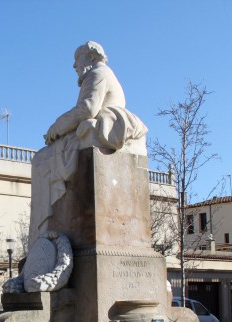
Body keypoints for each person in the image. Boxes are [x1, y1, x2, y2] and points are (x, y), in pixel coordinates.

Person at [30, 41, 147, 243]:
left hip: (96, 130)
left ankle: (43, 230)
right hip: (98, 129)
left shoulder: (97, 74)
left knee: (40, 159)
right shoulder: (104, 74)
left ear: (91, 58)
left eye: (77, 59)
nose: (74, 66)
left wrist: (56, 128)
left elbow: (87, 110)